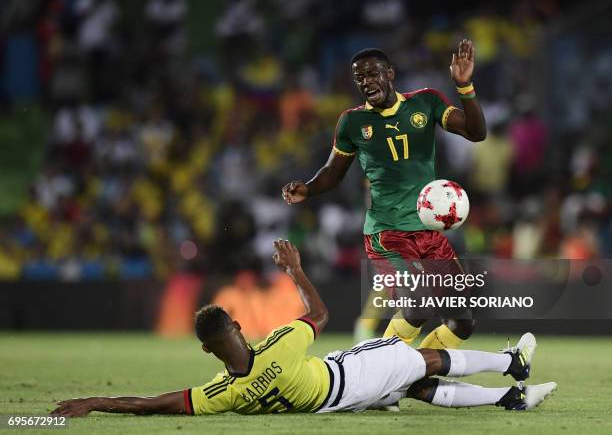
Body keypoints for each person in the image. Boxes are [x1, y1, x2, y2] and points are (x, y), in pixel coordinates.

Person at [51, 240, 555, 417]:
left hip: (343, 396)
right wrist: (294, 269)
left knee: (418, 384)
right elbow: (319, 315)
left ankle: (508, 399)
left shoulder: (222, 392)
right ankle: (513, 364)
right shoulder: (278, 345)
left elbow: (157, 403)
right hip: (346, 378)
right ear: (239, 326)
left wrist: (95, 401)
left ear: (208, 351)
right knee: (419, 361)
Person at [282, 39, 487, 350]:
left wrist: (465, 87)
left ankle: (414, 375)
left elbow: (476, 132)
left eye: (372, 74)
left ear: (390, 73)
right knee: (417, 306)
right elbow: (333, 172)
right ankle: (380, 372)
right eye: (359, 78)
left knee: (462, 322)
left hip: (428, 233)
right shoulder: (353, 121)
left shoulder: (426, 103)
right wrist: (308, 188)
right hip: (387, 233)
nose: (366, 82)